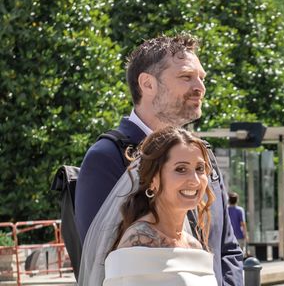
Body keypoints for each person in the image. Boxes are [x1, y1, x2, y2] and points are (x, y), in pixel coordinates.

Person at [75, 34, 242, 286]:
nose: (200, 87)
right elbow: (98, 262)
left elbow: (227, 250)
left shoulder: (202, 154)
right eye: (186, 77)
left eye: (201, 78)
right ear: (147, 84)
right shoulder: (107, 157)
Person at [103, 127, 217, 285]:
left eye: (199, 168)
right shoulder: (138, 241)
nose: (195, 180)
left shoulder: (193, 245)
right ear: (152, 179)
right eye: (181, 169)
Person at [227, 192, 248, 256]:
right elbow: (243, 224)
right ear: (237, 200)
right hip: (239, 236)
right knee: (239, 255)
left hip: (228, 236)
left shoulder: (226, 210)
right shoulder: (240, 210)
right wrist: (246, 235)